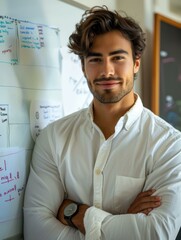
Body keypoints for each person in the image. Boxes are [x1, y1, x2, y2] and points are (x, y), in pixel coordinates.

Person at [23, 6, 181, 240]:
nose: (107, 71)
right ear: (84, 67)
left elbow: (155, 232)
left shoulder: (169, 144)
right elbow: (36, 230)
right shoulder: (53, 137)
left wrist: (74, 213)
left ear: (136, 63)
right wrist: (122, 221)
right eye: (96, 59)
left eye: (117, 58)